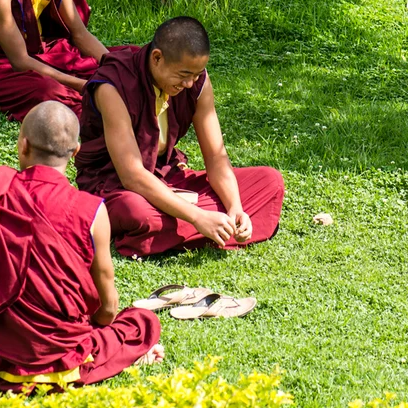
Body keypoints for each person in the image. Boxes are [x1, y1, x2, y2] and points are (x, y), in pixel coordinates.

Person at [0, 100, 163, 391]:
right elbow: (108, 308)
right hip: (58, 351)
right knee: (140, 323)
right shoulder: (91, 210)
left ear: (23, 144)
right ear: (76, 151)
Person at [76, 17, 285, 257]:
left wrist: (235, 207)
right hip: (115, 186)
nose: (189, 83)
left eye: (196, 75)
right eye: (183, 74)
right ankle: (201, 224)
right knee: (136, 212)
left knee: (270, 181)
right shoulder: (113, 86)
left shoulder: (198, 84)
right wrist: (196, 216)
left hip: (169, 179)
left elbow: (216, 157)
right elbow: (131, 175)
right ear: (157, 58)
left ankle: (196, 226)